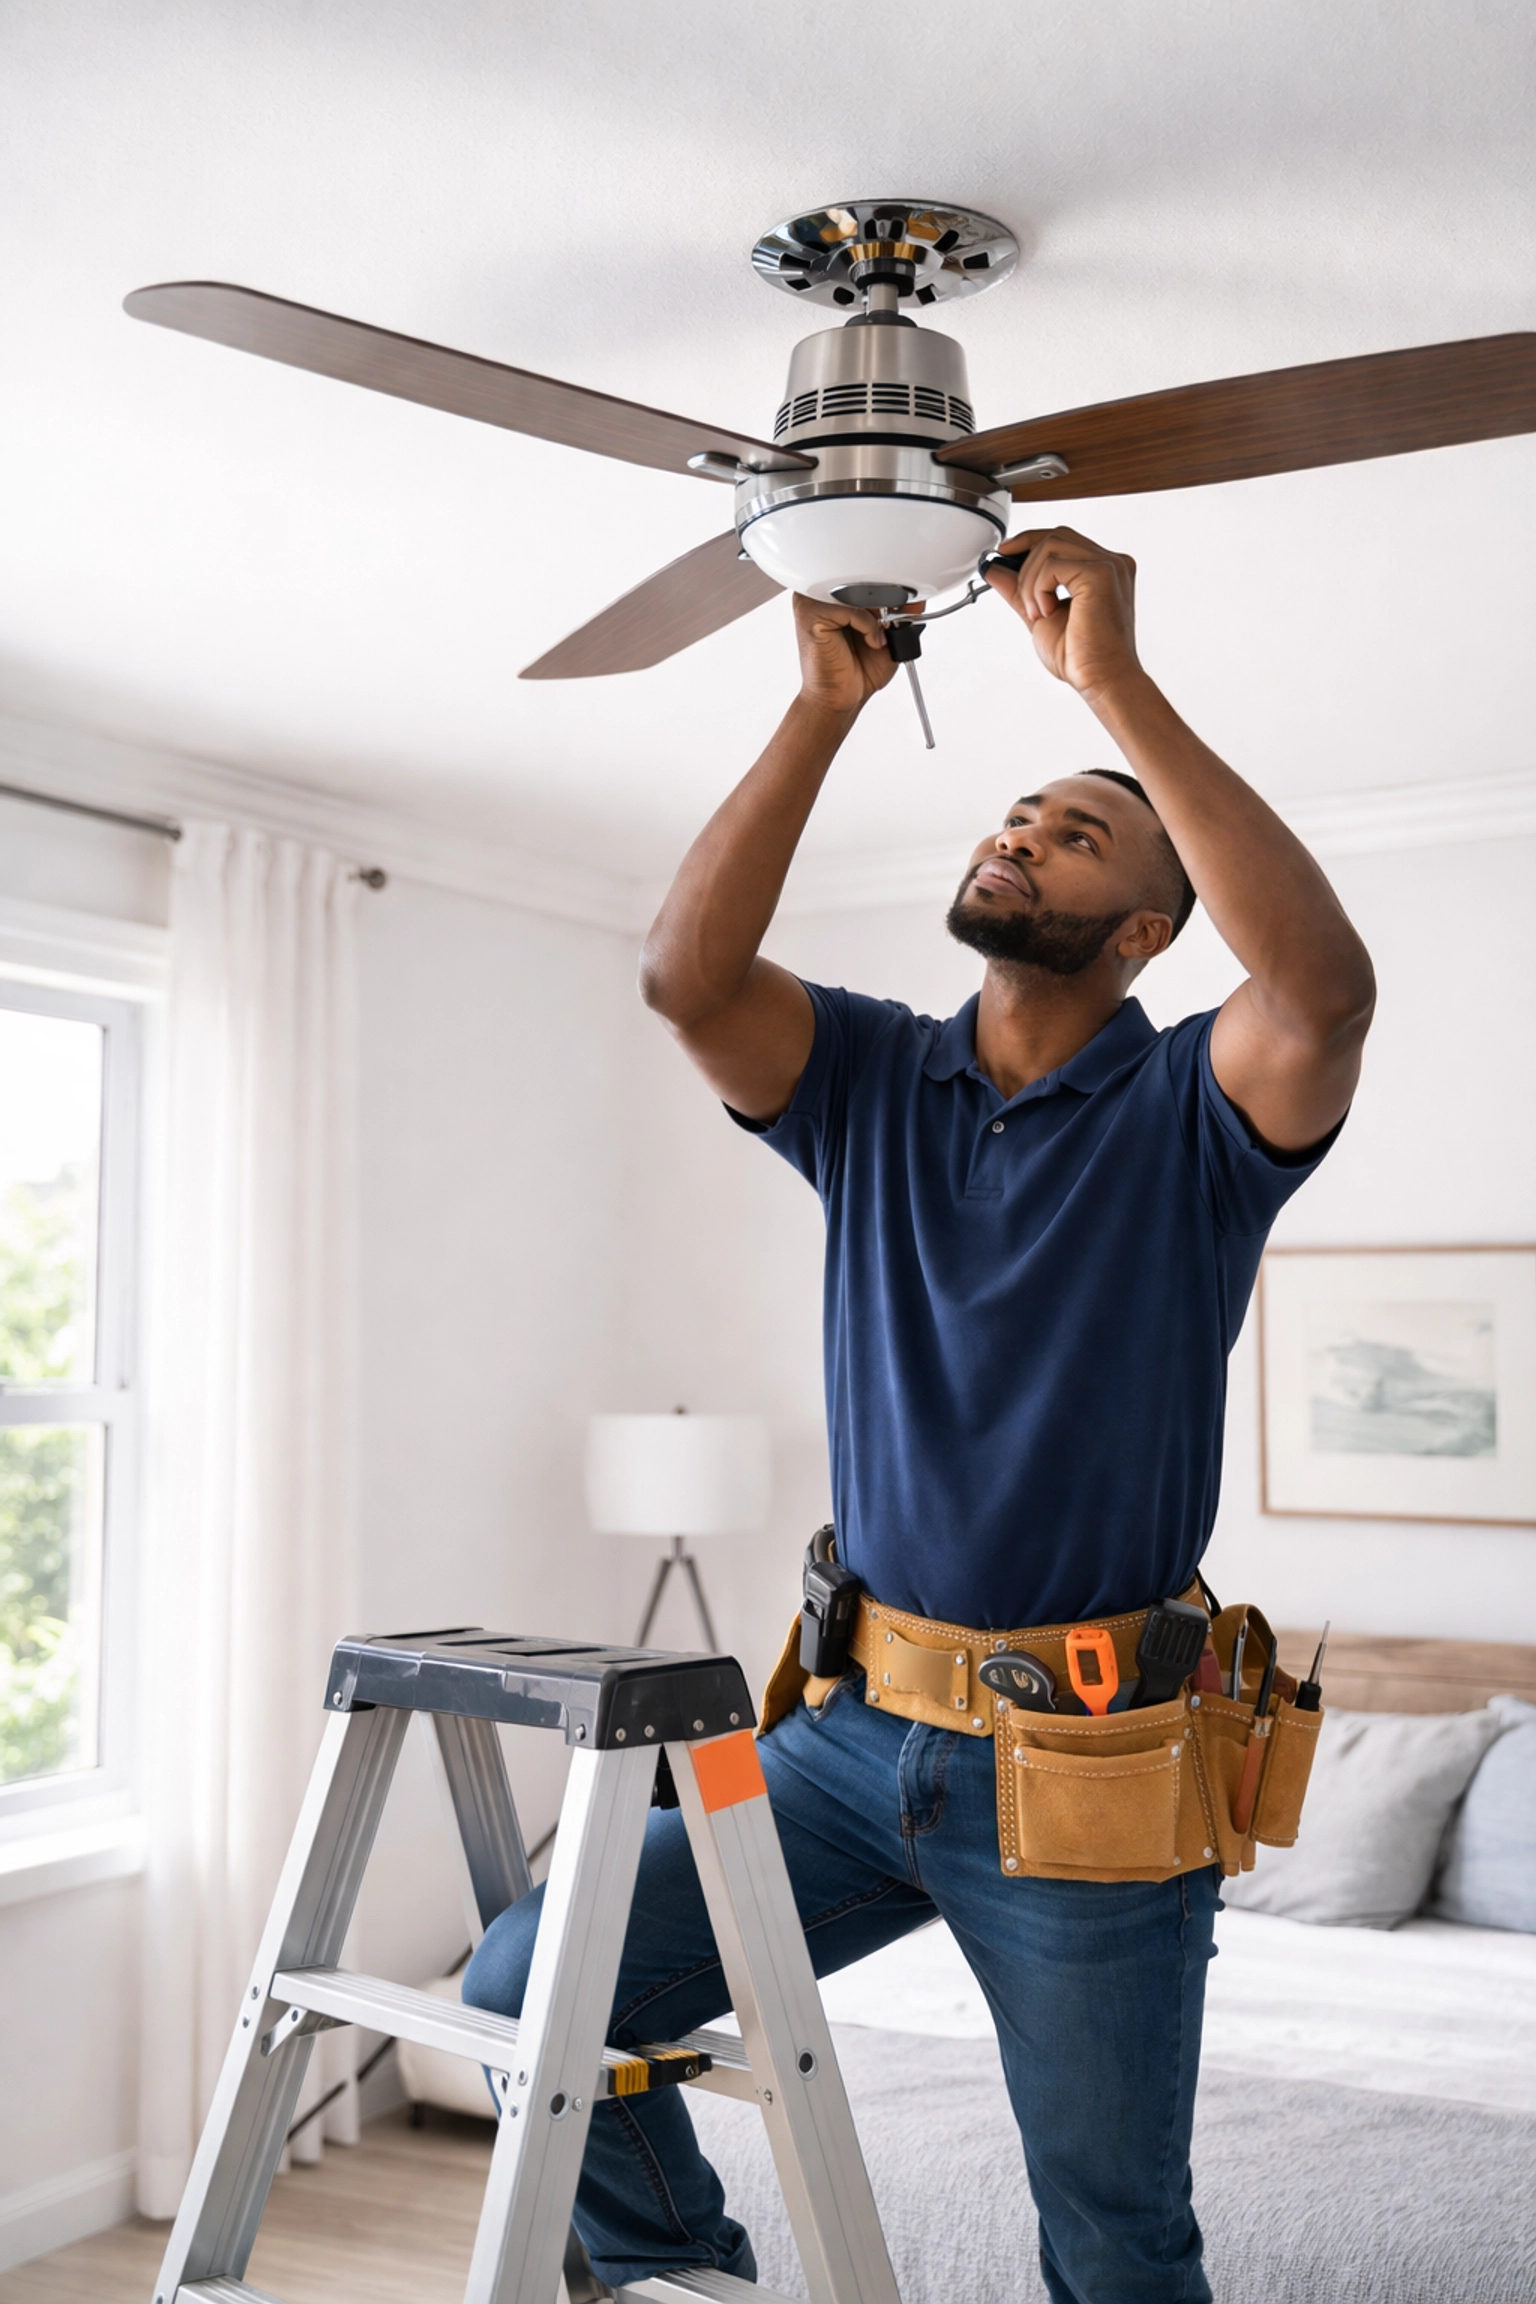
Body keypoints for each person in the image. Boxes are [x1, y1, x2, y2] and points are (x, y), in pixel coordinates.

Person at [465, 528, 1375, 2303]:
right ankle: (690, 2281)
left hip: (1093, 1776)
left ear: (1145, 932)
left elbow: (1324, 991)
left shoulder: (1200, 1111)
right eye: (1017, 809)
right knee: (525, 1996)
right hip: (841, 1734)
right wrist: (819, 710)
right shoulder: (873, 1073)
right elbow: (686, 983)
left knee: (1117, 2239)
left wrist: (1105, 681)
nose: (1021, 829)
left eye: (1079, 832)